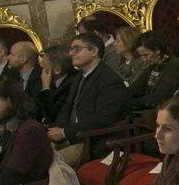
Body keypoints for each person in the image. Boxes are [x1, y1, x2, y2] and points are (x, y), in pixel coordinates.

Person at [48, 34, 128, 163]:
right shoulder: (79, 75)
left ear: (94, 51)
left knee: (49, 163)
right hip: (73, 136)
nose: (72, 53)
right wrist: (57, 130)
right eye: (71, 49)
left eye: (77, 49)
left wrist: (64, 132)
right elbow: (68, 106)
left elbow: (103, 118)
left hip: (93, 140)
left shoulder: (109, 80)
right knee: (34, 155)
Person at [125, 32, 179, 112]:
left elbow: (161, 96)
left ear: (157, 50)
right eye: (141, 56)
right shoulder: (153, 66)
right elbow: (135, 88)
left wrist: (131, 103)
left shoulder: (174, 65)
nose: (144, 59)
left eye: (146, 55)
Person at [35, 44, 76, 124]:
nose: (40, 66)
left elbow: (52, 115)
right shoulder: (47, 81)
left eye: (44, 65)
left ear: (57, 70)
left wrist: (46, 88)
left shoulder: (71, 84)